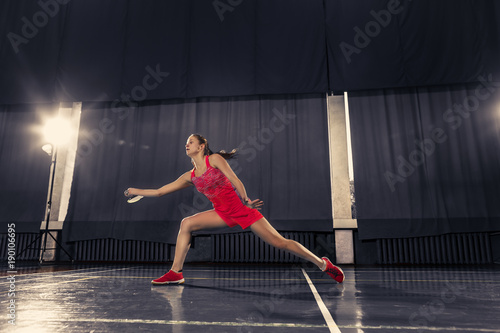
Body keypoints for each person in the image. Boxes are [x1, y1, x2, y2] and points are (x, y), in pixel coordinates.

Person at [124, 134, 344, 285]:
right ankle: (175, 273)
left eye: (190, 142)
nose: (186, 145)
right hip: (221, 213)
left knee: (280, 243)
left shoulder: (215, 159)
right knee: (187, 223)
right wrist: (137, 190)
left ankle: (322, 264)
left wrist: (246, 199)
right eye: (186, 143)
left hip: (242, 209)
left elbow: (234, 178)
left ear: (201, 146)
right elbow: (161, 191)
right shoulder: (189, 177)